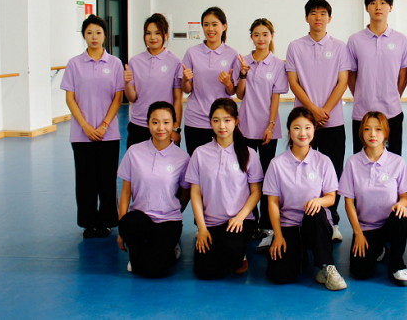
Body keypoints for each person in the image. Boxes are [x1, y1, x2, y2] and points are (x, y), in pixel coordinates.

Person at [286, 0, 351, 243]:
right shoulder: (295, 47)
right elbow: (294, 83)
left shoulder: (339, 46)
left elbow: (342, 82)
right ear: (306, 18)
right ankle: (300, 218)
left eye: (323, 13)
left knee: (334, 171)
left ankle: (332, 221)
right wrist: (312, 110)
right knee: (303, 170)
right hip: (304, 123)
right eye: (313, 13)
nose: (318, 17)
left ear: (329, 18)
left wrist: (325, 110)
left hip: (332, 121)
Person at [263, 107, 347, 290]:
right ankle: (299, 255)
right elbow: (272, 203)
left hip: (315, 224)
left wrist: (319, 201)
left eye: (308, 128)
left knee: (315, 212)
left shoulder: (323, 161)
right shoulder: (277, 164)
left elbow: (331, 197)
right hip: (289, 225)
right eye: (297, 128)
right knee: (280, 275)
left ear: (314, 130)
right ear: (289, 131)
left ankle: (327, 266)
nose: (303, 133)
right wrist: (278, 235)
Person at [61, 14, 125, 239]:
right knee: (85, 180)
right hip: (81, 134)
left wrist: (104, 125)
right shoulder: (74, 64)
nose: (94, 37)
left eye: (98, 32)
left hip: (109, 134)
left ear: (105, 35)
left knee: (107, 179)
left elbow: (118, 97)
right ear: (84, 36)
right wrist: (85, 126)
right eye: (89, 33)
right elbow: (70, 99)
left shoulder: (115, 63)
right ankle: (88, 222)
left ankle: (106, 221)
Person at [187, 98, 264, 279]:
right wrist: (202, 228)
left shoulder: (249, 154)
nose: (222, 126)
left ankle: (238, 252)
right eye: (216, 120)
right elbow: (195, 193)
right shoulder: (200, 153)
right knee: (204, 271)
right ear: (210, 122)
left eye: (227, 120)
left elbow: (256, 192)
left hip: (239, 221)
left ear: (236, 120)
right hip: (211, 222)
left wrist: (240, 217)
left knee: (233, 252)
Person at [116, 101, 191, 277]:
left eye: (166, 122)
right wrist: (122, 229)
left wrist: (174, 209)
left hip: (168, 220)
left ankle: (170, 248)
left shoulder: (182, 158)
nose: (160, 128)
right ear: (148, 123)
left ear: (173, 124)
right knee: (138, 268)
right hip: (139, 218)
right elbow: (125, 192)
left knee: (156, 270)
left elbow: (186, 194)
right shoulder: (134, 152)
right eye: (155, 122)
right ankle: (140, 250)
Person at [339, 111, 407, 286]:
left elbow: (405, 197)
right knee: (360, 272)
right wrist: (358, 233)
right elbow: (348, 202)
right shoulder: (353, 163)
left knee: (401, 217)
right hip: (366, 227)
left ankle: (397, 264)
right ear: (361, 133)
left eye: (378, 129)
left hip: (390, 225)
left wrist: (401, 204)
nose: (373, 134)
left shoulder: (397, 162)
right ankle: (379, 248)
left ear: (386, 133)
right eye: (367, 129)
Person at [232, 18, 289, 240]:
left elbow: (275, 98)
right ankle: (250, 220)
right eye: (256, 34)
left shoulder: (278, 65)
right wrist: (243, 74)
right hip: (245, 128)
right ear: (251, 37)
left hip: (267, 130)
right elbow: (239, 94)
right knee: (246, 176)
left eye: (265, 34)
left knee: (266, 177)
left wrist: (271, 125)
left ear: (271, 36)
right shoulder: (242, 61)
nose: (261, 38)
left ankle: (266, 223)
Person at [347, 0, 407, 158]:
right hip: (362, 113)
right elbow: (351, 76)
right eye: (373, 3)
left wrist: (393, 95)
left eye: (383, 2)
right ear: (366, 7)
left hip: (392, 111)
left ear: (391, 7)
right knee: (361, 159)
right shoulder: (355, 40)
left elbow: (403, 76)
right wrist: (362, 96)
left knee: (393, 159)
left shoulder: (401, 40)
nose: (378, 7)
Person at [182, 7, 239, 156]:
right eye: (206, 24)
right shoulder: (192, 52)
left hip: (222, 121)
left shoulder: (232, 54)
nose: (210, 29)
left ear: (224, 26)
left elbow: (232, 91)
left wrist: (228, 83)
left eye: (214, 24)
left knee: (222, 162)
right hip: (195, 119)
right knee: (196, 163)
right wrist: (186, 80)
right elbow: (187, 89)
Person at [124, 13, 184, 149]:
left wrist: (176, 128)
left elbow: (178, 99)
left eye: (157, 33)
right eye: (148, 33)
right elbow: (132, 98)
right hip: (139, 124)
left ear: (166, 35)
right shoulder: (135, 61)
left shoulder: (175, 61)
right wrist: (127, 83)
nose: (152, 37)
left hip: (164, 127)